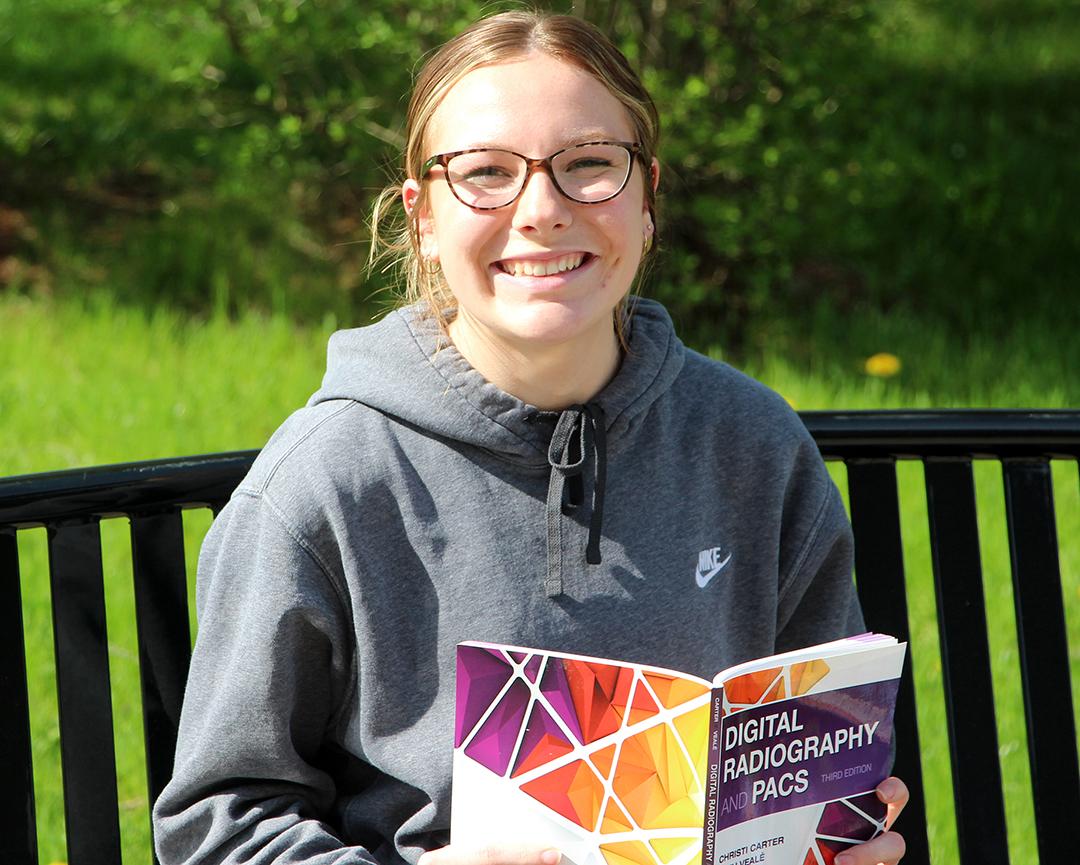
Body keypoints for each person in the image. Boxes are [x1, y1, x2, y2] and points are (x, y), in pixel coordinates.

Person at [153, 10, 908, 865]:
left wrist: (844, 839)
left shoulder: (754, 447)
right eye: (485, 173)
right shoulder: (328, 477)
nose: (542, 210)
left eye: (590, 164)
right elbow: (216, 827)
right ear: (425, 219)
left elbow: (822, 760)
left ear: (648, 196)